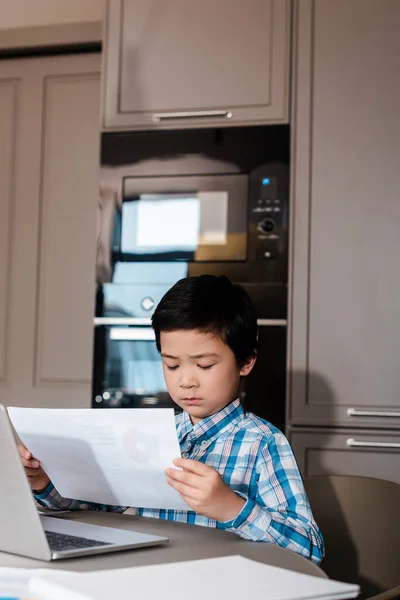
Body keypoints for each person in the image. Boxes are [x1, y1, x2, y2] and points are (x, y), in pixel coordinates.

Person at [19, 275, 324, 564]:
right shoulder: (151, 434)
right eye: (172, 365)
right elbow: (97, 509)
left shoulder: (262, 443)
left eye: (204, 365)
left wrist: (231, 507)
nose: (186, 381)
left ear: (245, 362)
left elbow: (309, 548)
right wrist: (48, 484)